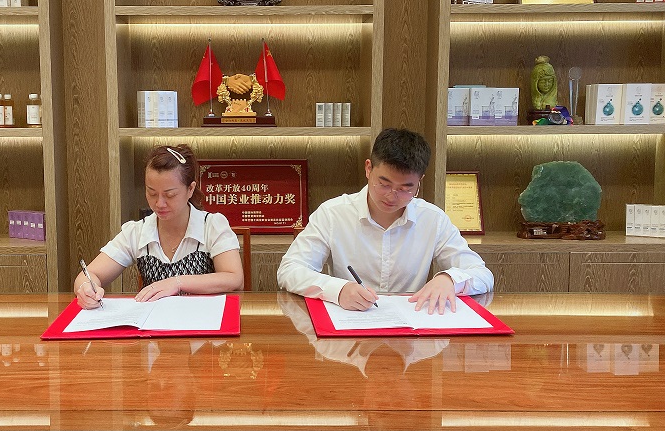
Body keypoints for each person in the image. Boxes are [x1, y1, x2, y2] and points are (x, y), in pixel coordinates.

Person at [277, 128, 493, 313]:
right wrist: (338, 290)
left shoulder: (433, 219)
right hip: (351, 327)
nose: (392, 196)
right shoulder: (333, 213)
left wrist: (449, 280)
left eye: (406, 188)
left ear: (419, 181)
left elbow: (483, 274)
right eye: (384, 184)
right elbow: (290, 270)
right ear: (368, 168)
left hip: (411, 328)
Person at [75, 144, 244, 309]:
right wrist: (86, 289)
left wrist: (177, 283)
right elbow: (88, 275)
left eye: (170, 195)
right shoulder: (137, 232)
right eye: (152, 193)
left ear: (190, 189)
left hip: (205, 320)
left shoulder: (212, 226)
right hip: (152, 323)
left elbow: (234, 279)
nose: (159, 203)